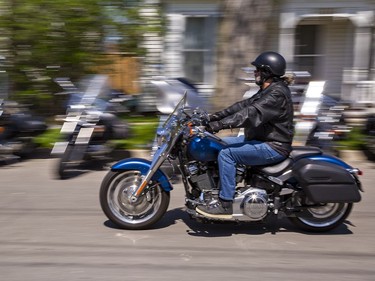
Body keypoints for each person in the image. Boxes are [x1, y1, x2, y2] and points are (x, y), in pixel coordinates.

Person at [196, 51, 294, 219]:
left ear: (267, 72)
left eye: (258, 70)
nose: (255, 73)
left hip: (273, 146)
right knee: (219, 143)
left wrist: (218, 125)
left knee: (227, 155)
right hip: (260, 139)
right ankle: (214, 188)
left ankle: (225, 203)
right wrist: (213, 117)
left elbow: (250, 113)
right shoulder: (268, 90)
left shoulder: (277, 94)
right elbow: (242, 106)